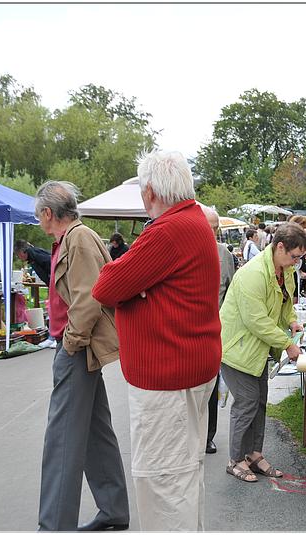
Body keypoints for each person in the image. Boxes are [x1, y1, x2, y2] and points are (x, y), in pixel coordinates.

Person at [92, 151, 221, 531]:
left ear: (149, 191)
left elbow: (106, 286)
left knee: (164, 480)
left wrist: (137, 290)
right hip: (189, 367)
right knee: (184, 473)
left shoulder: (167, 231)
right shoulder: (193, 219)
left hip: (167, 376)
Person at [34, 181, 129, 532]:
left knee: (61, 441)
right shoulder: (72, 237)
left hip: (75, 349)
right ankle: (114, 511)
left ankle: (54, 526)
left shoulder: (78, 237)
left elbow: (90, 296)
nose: (39, 221)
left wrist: (71, 342)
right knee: (93, 433)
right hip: (76, 347)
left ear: (48, 213)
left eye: (39, 214)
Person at [219, 222, 306, 483]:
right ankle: (235, 460)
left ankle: (254, 454)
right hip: (237, 348)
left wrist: (292, 321)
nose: (296, 262)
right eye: (294, 256)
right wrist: (287, 344)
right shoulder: (252, 274)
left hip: (258, 350)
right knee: (246, 404)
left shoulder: (284, 269)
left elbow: (285, 303)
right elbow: (256, 320)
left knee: (259, 403)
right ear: (280, 247)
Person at [201, 205, 237, 455]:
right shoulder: (184, 250)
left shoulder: (224, 254)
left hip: (216, 330)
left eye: (215, 228)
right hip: (189, 331)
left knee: (212, 388)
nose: (212, 233)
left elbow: (232, 292)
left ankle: (207, 436)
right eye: (208, 227)